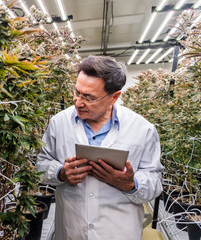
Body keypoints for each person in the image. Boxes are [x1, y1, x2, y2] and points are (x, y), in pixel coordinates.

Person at [36, 55, 163, 240]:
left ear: (114, 97)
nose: (78, 102)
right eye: (77, 92)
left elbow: (155, 181)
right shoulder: (59, 122)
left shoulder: (142, 129)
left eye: (88, 97)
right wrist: (61, 173)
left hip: (118, 231)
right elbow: (41, 165)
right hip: (71, 228)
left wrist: (131, 184)